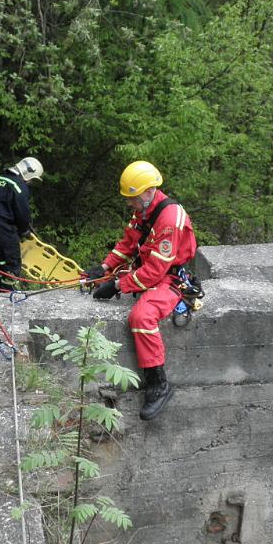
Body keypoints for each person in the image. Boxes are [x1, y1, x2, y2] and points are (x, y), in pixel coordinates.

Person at [84, 161, 197, 421]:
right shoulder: (146, 210)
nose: (129, 204)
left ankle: (159, 384)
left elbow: (156, 271)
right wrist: (103, 268)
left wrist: (117, 285)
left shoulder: (169, 220)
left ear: (148, 192)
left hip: (169, 278)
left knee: (141, 317)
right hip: (148, 270)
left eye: (132, 199)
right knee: (107, 283)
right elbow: (128, 244)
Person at [0, 157, 43, 291]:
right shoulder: (18, 186)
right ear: (29, 173)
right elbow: (22, 211)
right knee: (11, 264)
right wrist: (24, 230)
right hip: (2, 229)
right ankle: (9, 294)